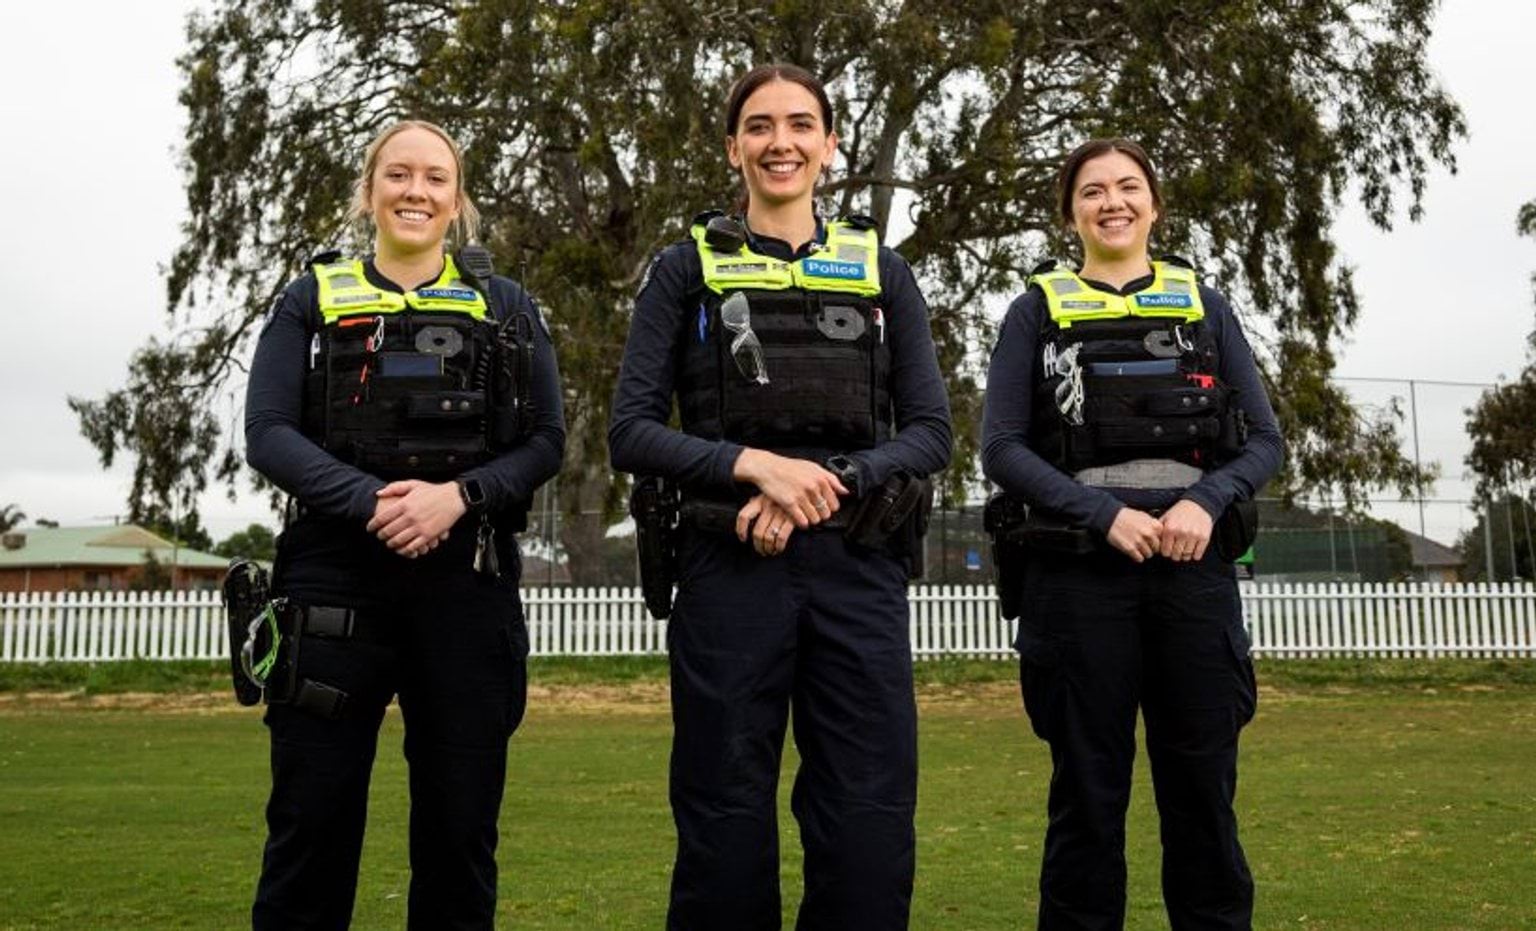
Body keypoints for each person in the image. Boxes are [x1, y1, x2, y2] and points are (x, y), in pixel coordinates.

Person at [608, 63, 952, 929]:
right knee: (724, 822)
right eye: (759, 126)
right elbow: (632, 430)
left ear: (830, 146)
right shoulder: (682, 271)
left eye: (801, 125)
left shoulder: (885, 273)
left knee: (868, 824)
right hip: (728, 570)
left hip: (858, 571)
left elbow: (929, 433)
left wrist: (821, 486)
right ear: (733, 148)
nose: (780, 142)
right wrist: (754, 466)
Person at [243, 119, 565, 930]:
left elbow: (547, 439)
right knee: (310, 830)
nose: (415, 191)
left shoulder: (507, 307)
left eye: (434, 178)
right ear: (369, 190)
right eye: (398, 175)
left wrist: (455, 499)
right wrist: (371, 502)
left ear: (458, 201)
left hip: (466, 579)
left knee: (459, 834)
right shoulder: (310, 297)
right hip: (331, 581)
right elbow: (269, 431)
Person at [980, 138, 1284, 930]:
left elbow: (1263, 440)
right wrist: (1103, 514)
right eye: (1092, 191)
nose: (1111, 202)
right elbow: (1002, 446)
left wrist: (1205, 503)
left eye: (1128, 187)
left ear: (1154, 203)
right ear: (1070, 211)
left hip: (1194, 578)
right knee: (1087, 798)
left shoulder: (1205, 307)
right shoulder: (1035, 312)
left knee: (1203, 800)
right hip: (1077, 582)